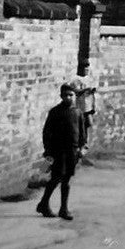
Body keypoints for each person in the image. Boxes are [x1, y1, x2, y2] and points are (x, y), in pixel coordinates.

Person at [37, 83, 87, 220]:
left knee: (67, 180)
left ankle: (63, 209)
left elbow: (82, 133)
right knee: (56, 178)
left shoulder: (77, 112)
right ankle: (44, 203)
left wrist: (82, 148)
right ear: (61, 96)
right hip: (58, 151)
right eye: (65, 95)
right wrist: (48, 150)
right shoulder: (55, 112)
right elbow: (47, 132)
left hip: (72, 151)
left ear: (74, 96)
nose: (68, 98)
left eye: (70, 95)